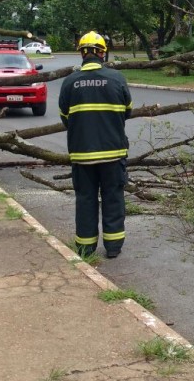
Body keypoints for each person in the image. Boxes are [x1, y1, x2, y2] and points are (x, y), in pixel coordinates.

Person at [58, 31, 133, 259]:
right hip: (113, 153)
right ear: (102, 53)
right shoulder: (117, 79)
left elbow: (65, 117)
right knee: (113, 198)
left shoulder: (70, 82)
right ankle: (113, 247)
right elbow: (126, 111)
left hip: (82, 155)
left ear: (82, 53)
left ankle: (85, 247)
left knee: (85, 199)